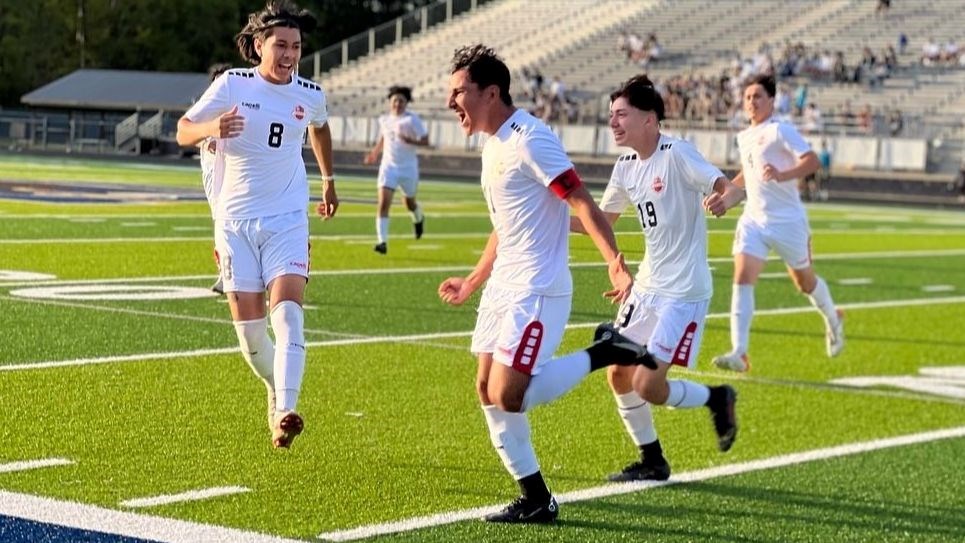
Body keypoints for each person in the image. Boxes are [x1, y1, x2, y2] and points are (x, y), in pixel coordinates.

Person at [437, 44, 651, 524]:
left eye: (459, 93)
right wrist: (474, 279)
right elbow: (508, 221)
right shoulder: (492, 142)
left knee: (511, 394)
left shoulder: (530, 138)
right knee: (484, 389)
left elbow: (581, 202)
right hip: (503, 287)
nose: (452, 103)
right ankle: (536, 498)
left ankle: (605, 350)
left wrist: (614, 262)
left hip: (538, 287)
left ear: (491, 93)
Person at [176, 0, 338, 449]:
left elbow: (320, 129)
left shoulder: (309, 93)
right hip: (234, 224)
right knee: (250, 338)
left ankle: (286, 408)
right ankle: (273, 387)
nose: (289, 54)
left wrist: (328, 179)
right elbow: (182, 129)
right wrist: (212, 127)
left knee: (287, 316)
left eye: (296, 47)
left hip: (287, 220)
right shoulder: (232, 85)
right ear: (259, 46)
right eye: (281, 45)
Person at [572, 75, 742, 482]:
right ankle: (653, 460)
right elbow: (600, 222)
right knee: (617, 373)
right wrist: (542, 217)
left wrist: (726, 198)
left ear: (650, 119)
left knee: (647, 384)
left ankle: (717, 398)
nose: (613, 122)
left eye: (621, 114)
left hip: (683, 293)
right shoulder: (625, 166)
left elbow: (727, 185)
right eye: (611, 115)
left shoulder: (677, 153)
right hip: (647, 287)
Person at [712, 75, 844, 373]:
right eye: (747, 97)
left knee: (804, 283)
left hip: (788, 222)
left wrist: (783, 175)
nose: (751, 102)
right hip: (754, 220)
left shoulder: (780, 130)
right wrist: (724, 194)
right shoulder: (744, 136)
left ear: (772, 100)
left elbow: (812, 161)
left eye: (758, 96)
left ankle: (833, 319)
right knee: (742, 277)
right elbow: (748, 174)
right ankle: (739, 352)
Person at [363, 85, 429, 254]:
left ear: (406, 103)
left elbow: (425, 141)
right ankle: (382, 242)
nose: (397, 104)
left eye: (401, 101)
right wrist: (374, 154)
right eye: (395, 100)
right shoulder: (384, 119)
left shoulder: (412, 120)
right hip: (388, 167)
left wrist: (410, 140)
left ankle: (418, 217)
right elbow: (384, 138)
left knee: (409, 203)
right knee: (383, 203)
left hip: (408, 168)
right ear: (390, 102)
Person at [200, 62, 232, 295]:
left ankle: (232, 274)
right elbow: (189, 132)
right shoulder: (206, 107)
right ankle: (225, 272)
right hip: (213, 173)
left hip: (235, 173)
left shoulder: (241, 105)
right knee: (220, 222)